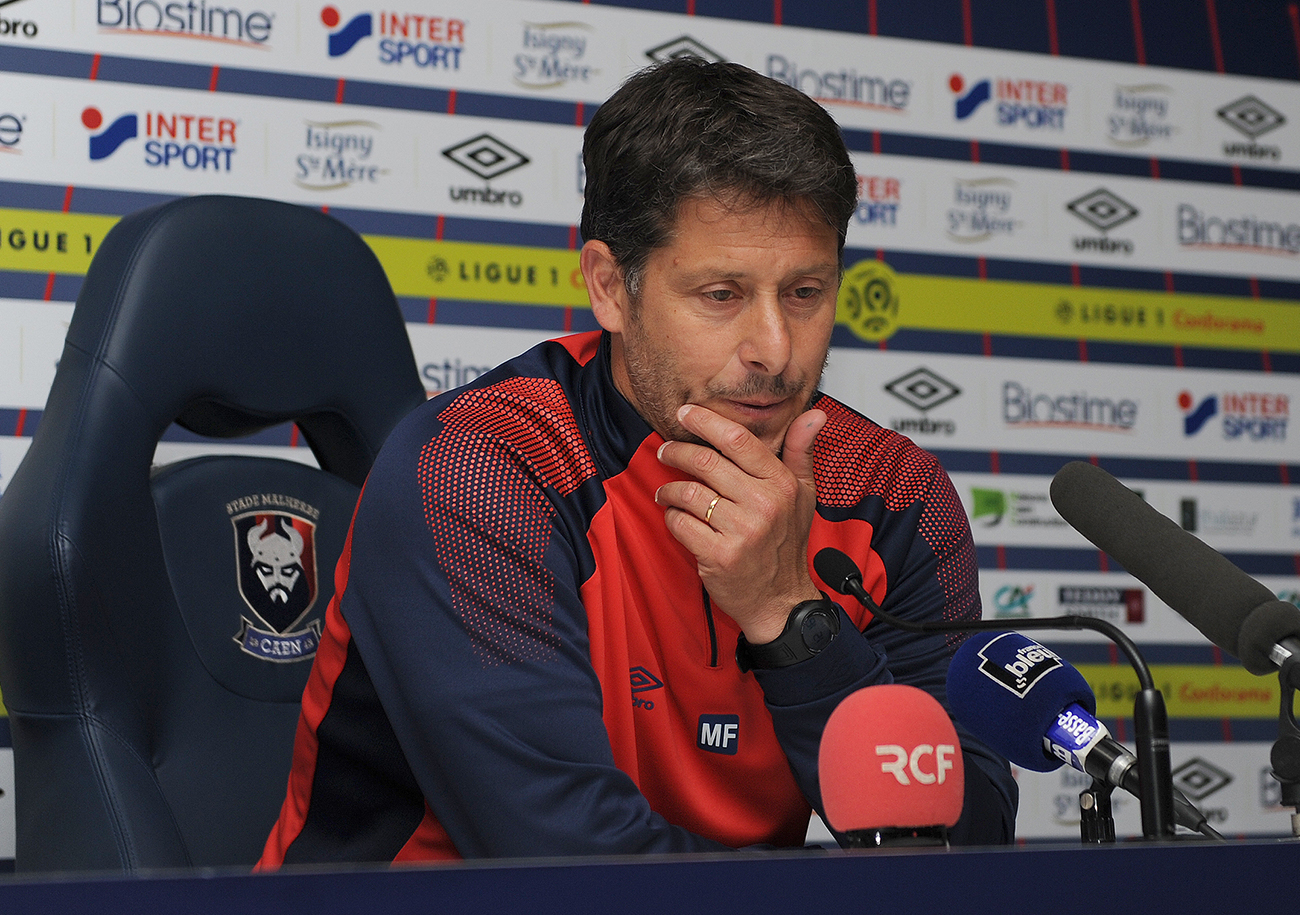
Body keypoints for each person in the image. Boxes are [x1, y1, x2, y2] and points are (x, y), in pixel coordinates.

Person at [258, 57, 1017, 866]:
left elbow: (960, 845)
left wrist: (793, 621)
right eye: (721, 294)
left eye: (805, 292)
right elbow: (566, 859)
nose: (775, 349)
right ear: (610, 287)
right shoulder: (479, 469)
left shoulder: (893, 491)